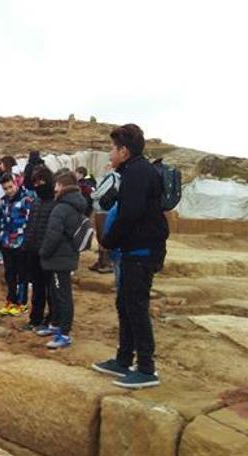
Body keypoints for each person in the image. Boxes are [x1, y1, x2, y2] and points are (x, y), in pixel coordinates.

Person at [93, 124, 168, 389]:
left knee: (136, 307)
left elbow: (130, 215)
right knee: (125, 305)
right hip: (133, 251)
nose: (110, 153)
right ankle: (123, 359)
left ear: (124, 151)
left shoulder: (138, 173)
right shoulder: (133, 171)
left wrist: (108, 241)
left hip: (141, 251)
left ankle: (146, 369)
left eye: (112, 148)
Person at [38, 172, 86, 350]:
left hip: (60, 258)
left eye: (57, 184)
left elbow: (53, 235)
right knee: (56, 292)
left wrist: (43, 252)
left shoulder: (62, 207)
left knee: (62, 295)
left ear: (62, 186)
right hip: (65, 256)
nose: (54, 188)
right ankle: (56, 324)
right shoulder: (72, 204)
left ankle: (64, 333)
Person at [21, 165, 57, 334]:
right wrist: (26, 246)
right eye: (35, 182)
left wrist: (47, 249)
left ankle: (52, 319)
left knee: (51, 290)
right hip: (33, 252)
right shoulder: (36, 202)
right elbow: (30, 227)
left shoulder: (56, 204)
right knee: (37, 289)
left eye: (41, 181)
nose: (38, 185)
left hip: (49, 254)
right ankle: (35, 318)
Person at [0, 173, 34, 317]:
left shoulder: (26, 199)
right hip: (6, 242)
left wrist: (27, 240)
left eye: (10, 187)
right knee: (9, 274)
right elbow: (3, 220)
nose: (9, 190)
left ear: (15, 183)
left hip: (21, 243)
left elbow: (30, 221)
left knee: (22, 275)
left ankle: (22, 303)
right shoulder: (5, 201)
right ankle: (11, 300)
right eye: (5, 188)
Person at [89, 164, 120, 273]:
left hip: (104, 209)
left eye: (108, 166)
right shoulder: (111, 177)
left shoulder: (111, 177)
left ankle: (106, 262)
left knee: (103, 235)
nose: (105, 167)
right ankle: (101, 260)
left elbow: (100, 192)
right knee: (100, 235)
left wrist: (92, 194)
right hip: (102, 209)